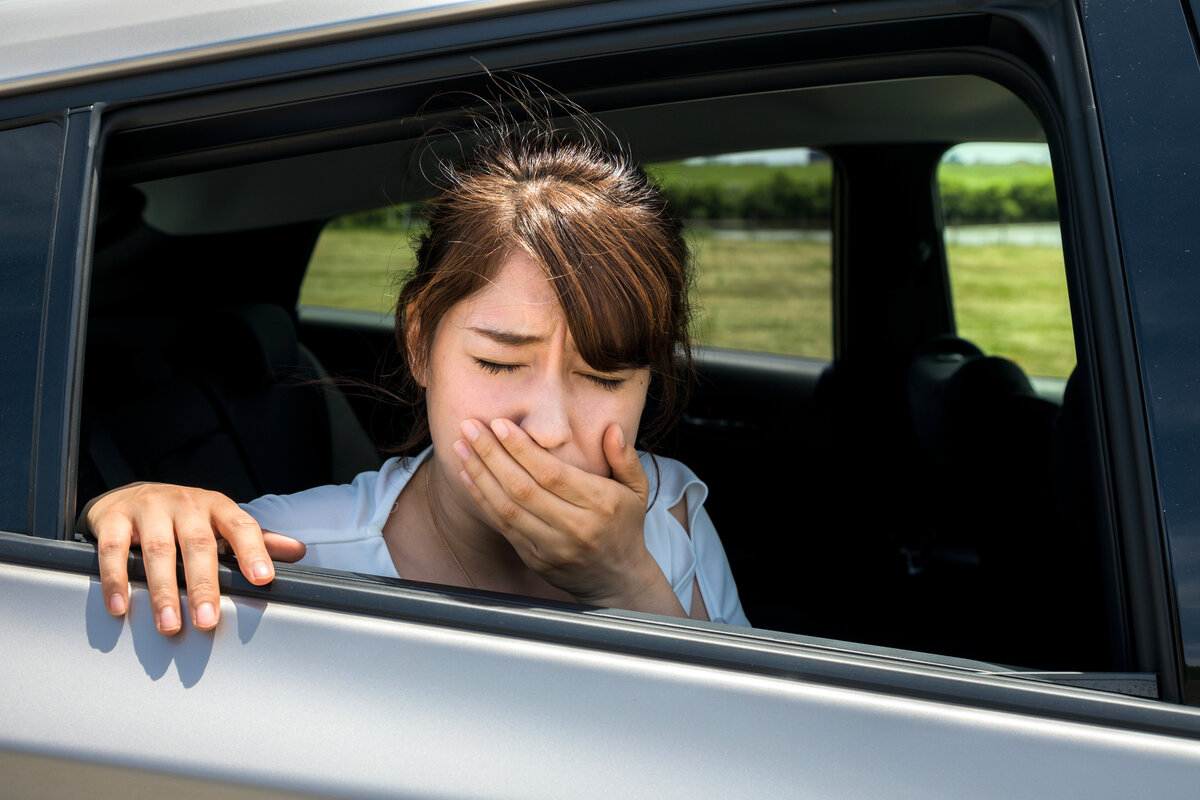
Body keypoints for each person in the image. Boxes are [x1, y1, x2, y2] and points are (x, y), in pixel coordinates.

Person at [80, 96, 747, 635]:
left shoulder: (670, 515)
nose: (549, 426)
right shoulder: (290, 554)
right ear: (420, 341)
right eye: (497, 362)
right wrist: (130, 509)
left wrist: (628, 581)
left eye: (605, 377)